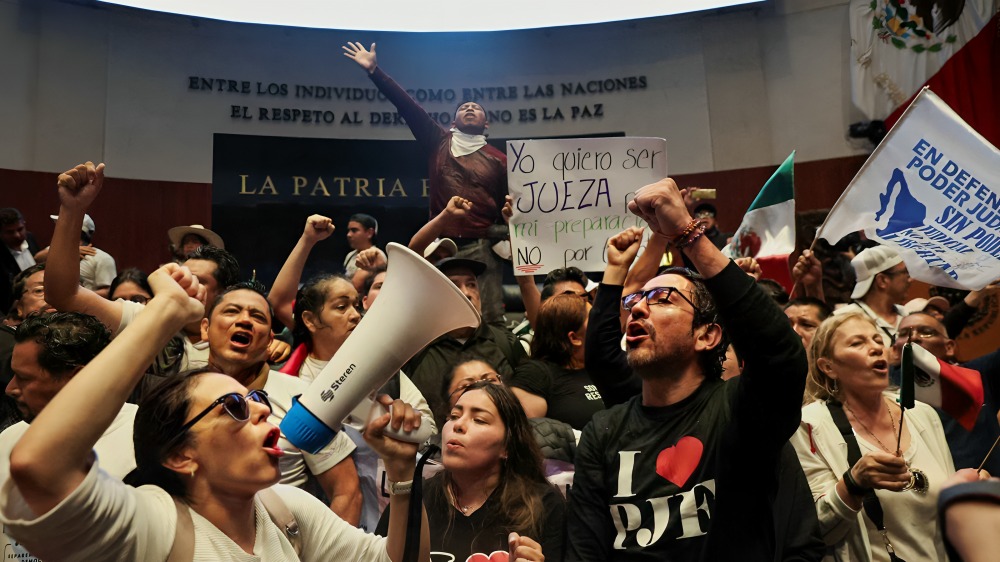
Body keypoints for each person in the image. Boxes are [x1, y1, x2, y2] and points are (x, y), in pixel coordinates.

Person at [0, 262, 430, 561]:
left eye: (257, 401)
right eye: (233, 407)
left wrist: (404, 475)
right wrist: (165, 312)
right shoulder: (154, 525)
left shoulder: (286, 510)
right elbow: (38, 464)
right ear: (180, 456)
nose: (261, 412)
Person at [566, 178, 808, 561]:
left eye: (662, 298)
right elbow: (585, 550)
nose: (640, 308)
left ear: (708, 336)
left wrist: (688, 235)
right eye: (638, 300)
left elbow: (779, 354)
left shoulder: (741, 412)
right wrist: (615, 274)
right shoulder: (606, 430)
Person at [344, 42, 509, 326]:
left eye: (476, 108)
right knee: (434, 319)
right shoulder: (438, 141)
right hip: (439, 246)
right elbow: (407, 106)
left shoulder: (501, 160)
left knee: (489, 319)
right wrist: (374, 71)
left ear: (487, 124)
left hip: (483, 246)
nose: (469, 108)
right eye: (464, 107)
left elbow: (512, 205)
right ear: (454, 120)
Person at [791, 312, 955, 561]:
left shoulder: (921, 413)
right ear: (829, 367)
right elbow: (812, 530)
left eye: (877, 340)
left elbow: (949, 511)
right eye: (858, 343)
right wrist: (853, 483)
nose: (876, 348)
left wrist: (969, 490)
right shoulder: (810, 425)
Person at [378, 381, 559, 561]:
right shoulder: (414, 500)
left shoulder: (544, 505)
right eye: (454, 416)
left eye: (479, 420)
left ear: (507, 447)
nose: (458, 425)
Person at [0, 311, 127, 559]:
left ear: (77, 378)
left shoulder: (140, 440)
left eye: (24, 378)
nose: (10, 389)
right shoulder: (7, 441)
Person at [404, 256, 526, 425]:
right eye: (454, 286)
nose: (467, 293)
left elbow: (527, 408)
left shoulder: (507, 343)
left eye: (471, 284)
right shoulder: (413, 350)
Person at [890, 311, 1000, 476]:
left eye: (926, 332)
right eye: (905, 333)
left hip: (987, 488)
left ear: (949, 347)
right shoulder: (883, 385)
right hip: (923, 491)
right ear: (895, 350)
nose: (914, 338)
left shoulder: (977, 374)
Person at [509, 294, 605, 430]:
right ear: (574, 338)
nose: (602, 322)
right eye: (594, 318)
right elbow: (524, 439)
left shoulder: (604, 367)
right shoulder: (535, 374)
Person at [835, 245, 910, 343]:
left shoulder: (908, 316)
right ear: (882, 281)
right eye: (905, 273)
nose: (910, 279)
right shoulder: (843, 320)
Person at [0, 208, 40, 314]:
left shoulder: (30, 238)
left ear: (24, 224)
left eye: (20, 229)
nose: (17, 235)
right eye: (10, 232)